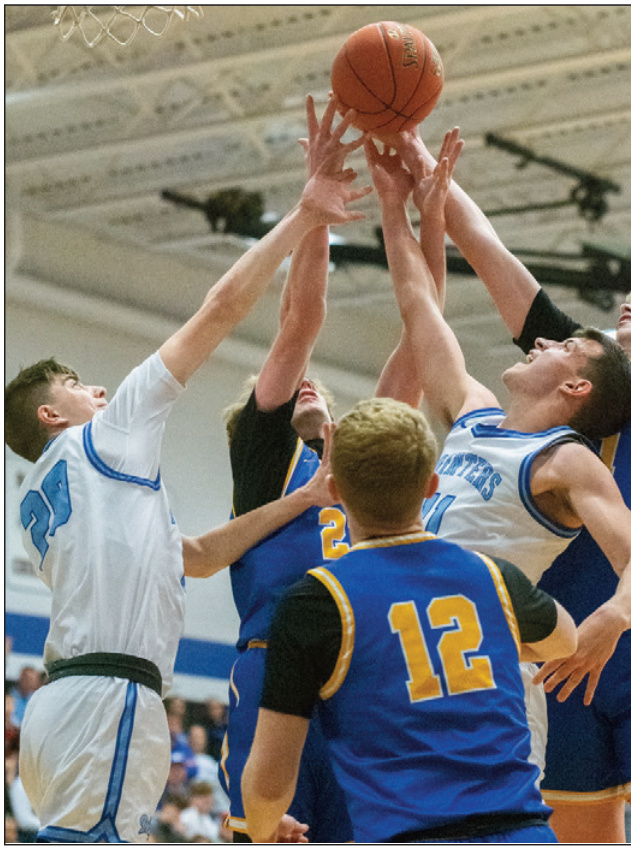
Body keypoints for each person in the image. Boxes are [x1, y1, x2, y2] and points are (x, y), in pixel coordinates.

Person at [4, 97, 371, 844]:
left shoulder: (61, 495)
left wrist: (303, 498)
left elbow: (197, 557)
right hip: (106, 697)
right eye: (78, 383)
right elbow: (220, 308)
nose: (98, 390)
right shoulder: (106, 437)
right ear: (51, 414)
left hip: (79, 702)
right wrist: (304, 216)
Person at [391, 128, 631, 842]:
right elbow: (486, 248)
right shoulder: (574, 360)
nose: (626, 302)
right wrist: (410, 148)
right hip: (555, 641)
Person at [365, 135, 631, 780]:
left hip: (489, 680)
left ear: (576, 387)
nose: (544, 338)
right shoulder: (471, 413)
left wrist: (609, 621)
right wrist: (398, 207)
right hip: (402, 667)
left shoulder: (567, 460)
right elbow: (420, 310)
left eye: (564, 346)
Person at [217, 94, 438, 843]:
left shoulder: (366, 461)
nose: (304, 380)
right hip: (274, 665)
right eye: (278, 387)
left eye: (320, 385)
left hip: (363, 674)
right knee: (271, 832)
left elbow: (423, 333)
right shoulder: (264, 457)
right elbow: (298, 325)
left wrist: (406, 210)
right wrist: (315, 209)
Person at [242, 397, 579, 843]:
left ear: (336, 489)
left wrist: (265, 830)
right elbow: (565, 640)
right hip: (523, 832)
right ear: (431, 486)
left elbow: (270, 780)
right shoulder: (491, 575)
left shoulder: (316, 601)